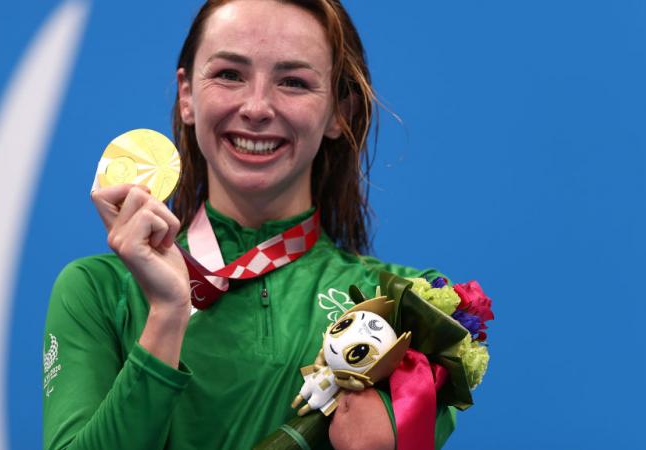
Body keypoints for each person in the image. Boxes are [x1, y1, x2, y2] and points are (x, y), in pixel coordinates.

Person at [43, 1, 457, 449]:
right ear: (187, 96)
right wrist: (165, 314)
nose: (257, 107)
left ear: (340, 112)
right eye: (229, 75)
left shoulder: (407, 313)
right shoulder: (100, 290)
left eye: (293, 82)